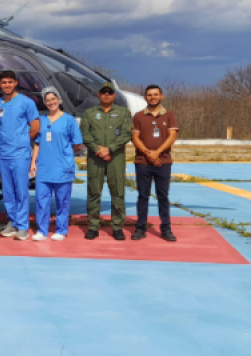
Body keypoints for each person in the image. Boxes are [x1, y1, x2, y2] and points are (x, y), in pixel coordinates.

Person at [79, 82, 133, 241]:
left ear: (114, 95)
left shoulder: (124, 113)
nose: (107, 95)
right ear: (99, 95)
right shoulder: (89, 113)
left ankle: (117, 227)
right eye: (104, 92)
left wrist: (109, 149)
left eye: (110, 92)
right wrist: (98, 150)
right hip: (95, 158)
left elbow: (126, 134)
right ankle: (93, 226)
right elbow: (85, 134)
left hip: (116, 158)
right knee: (94, 192)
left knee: (117, 192)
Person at [30, 87, 84, 241]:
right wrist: (33, 162)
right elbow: (38, 144)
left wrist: (65, 155)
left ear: (59, 100)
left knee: (63, 200)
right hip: (44, 167)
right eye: (48, 100)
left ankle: (61, 230)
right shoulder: (41, 120)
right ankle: (42, 230)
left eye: (53, 99)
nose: (51, 102)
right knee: (42, 200)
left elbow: (77, 143)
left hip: (62, 167)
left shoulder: (69, 120)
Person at [0, 70, 40, 241]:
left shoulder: (26, 103)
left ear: (15, 83)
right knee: (8, 192)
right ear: (0, 84)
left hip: (20, 154)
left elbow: (35, 127)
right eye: (4, 82)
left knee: (21, 191)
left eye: (10, 82)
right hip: (3, 154)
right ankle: (12, 222)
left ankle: (22, 226)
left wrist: (22, 141)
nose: (7, 85)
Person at [131, 84, 179, 242]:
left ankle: (166, 229)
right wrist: (148, 153)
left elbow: (172, 137)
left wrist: (157, 153)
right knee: (143, 196)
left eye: (155, 94)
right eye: (150, 95)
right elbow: (135, 138)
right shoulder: (138, 116)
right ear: (145, 97)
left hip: (163, 162)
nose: (153, 97)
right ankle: (140, 228)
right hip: (142, 162)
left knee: (163, 196)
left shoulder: (169, 115)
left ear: (161, 96)